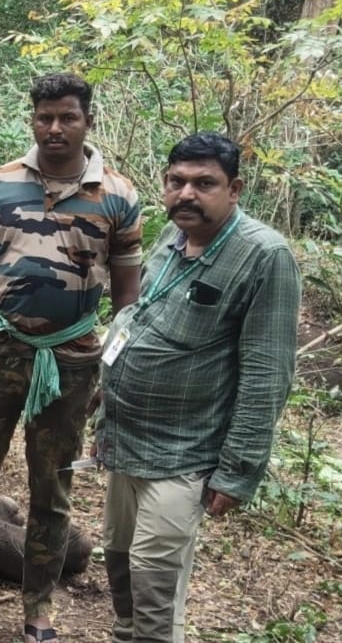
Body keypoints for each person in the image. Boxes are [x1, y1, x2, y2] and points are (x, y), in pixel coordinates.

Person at [0, 73, 143, 642]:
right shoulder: (1, 184)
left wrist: (107, 372)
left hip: (70, 362)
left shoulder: (118, 195)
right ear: (32, 120)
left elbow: (128, 302)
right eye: (44, 117)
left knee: (52, 487)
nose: (54, 128)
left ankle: (38, 605)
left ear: (87, 120)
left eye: (67, 116)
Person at [94, 132, 300, 643]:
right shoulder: (171, 236)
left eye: (204, 183)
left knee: (153, 578)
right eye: (176, 181)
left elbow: (267, 374)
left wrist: (237, 472)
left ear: (234, 189)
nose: (186, 194)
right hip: (126, 440)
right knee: (118, 562)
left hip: (185, 452)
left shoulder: (264, 257)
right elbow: (141, 314)